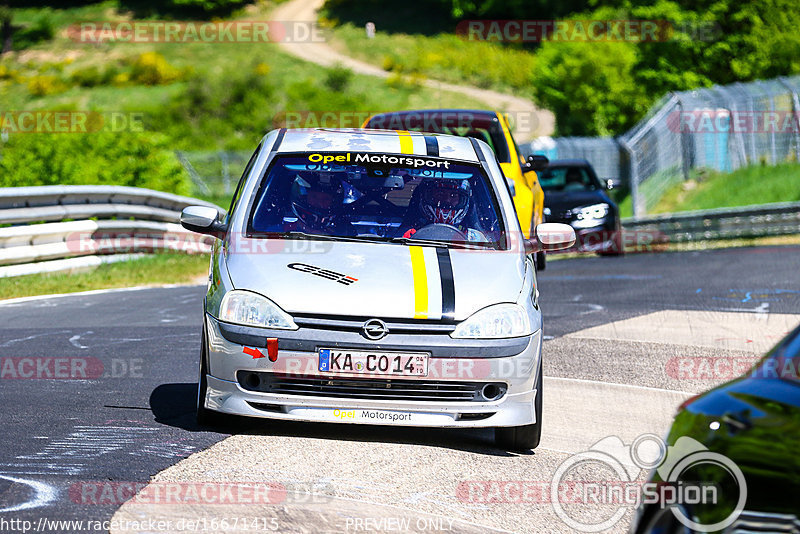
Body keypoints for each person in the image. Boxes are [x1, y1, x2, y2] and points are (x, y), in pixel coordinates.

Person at [401, 178, 485, 241]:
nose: (447, 200)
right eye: (440, 194)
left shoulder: (475, 238)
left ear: (462, 200)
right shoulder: (409, 234)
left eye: (453, 195)